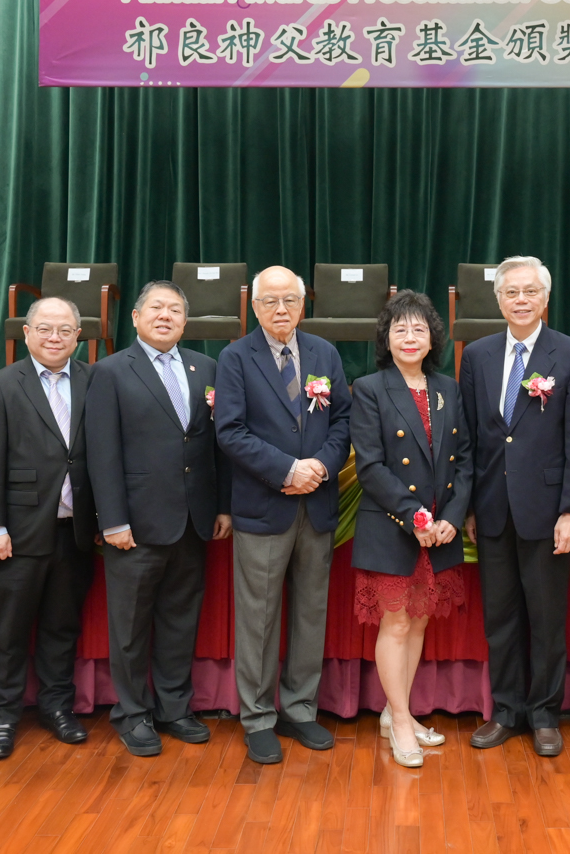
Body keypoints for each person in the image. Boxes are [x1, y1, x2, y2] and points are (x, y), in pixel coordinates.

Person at [85, 280, 232, 757]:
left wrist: (223, 505)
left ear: (185, 322)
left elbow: (216, 446)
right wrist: (112, 520)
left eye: (174, 310)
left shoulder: (206, 368)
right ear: (135, 317)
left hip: (193, 520)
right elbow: (102, 452)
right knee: (129, 626)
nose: (165, 316)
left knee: (180, 620)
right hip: (134, 524)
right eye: (156, 308)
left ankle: (174, 708)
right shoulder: (109, 372)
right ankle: (132, 714)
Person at [214, 266, 352, 765]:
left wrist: (320, 467)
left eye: (289, 300)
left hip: (316, 503)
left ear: (302, 305)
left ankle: (299, 709)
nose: (280, 309)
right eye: (270, 301)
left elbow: (342, 419)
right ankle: (257, 718)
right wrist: (288, 470)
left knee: (311, 612)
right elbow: (229, 431)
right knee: (259, 617)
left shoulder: (324, 353)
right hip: (264, 505)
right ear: (254, 307)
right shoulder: (235, 357)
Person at [459, 255, 570, 757]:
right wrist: (469, 506)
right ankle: (506, 711)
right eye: (511, 292)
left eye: (530, 291)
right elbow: (470, 438)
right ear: (498, 299)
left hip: (547, 510)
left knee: (545, 617)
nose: (521, 300)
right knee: (501, 618)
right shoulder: (476, 355)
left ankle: (544, 714)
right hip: (493, 509)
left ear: (546, 298)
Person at [0, 296, 99, 760]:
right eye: (44, 328)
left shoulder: (93, 379)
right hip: (17, 532)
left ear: (78, 336)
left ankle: (57, 707)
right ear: (26, 333)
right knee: (8, 630)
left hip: (75, 530)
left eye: (65, 330)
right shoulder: (1, 385)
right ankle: (2, 716)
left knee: (62, 627)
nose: (54, 338)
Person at [349, 291, 473, 768]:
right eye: (399, 329)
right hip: (393, 524)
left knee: (419, 620)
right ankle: (401, 721)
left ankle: (393, 711)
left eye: (419, 329)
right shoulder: (370, 388)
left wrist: (451, 518)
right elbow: (371, 466)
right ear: (386, 338)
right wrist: (415, 516)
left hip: (439, 529)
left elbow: (465, 462)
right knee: (397, 622)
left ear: (432, 338)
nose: (409, 337)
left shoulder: (448, 388)